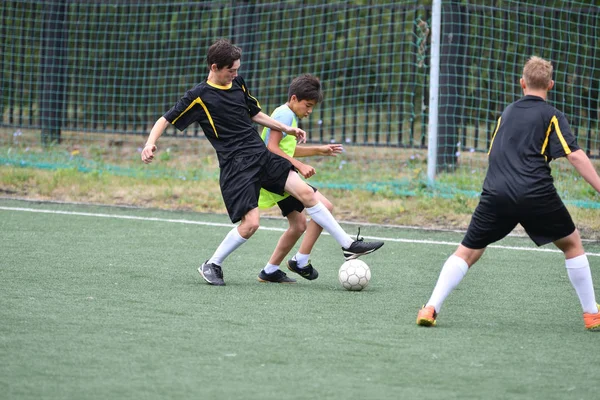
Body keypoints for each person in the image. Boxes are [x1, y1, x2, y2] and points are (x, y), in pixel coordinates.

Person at [141, 39, 383, 286]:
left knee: (306, 193)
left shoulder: (238, 84)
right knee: (251, 225)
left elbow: (255, 114)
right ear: (214, 67)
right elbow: (165, 119)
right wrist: (150, 143)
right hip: (237, 166)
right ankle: (212, 264)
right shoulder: (199, 96)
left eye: (237, 69)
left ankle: (348, 245)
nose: (235, 74)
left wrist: (286, 128)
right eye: (231, 70)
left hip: (261, 156)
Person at [416, 56, 600, 330]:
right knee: (572, 244)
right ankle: (591, 314)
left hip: (496, 192)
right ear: (550, 85)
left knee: (468, 251)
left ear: (522, 83)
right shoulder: (552, 114)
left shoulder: (507, 113)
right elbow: (574, 156)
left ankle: (430, 307)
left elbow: (494, 154)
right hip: (535, 192)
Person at [256, 74, 343, 283]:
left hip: (278, 175)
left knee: (299, 225)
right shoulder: (285, 115)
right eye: (308, 105)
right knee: (325, 207)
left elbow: (287, 150)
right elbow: (272, 148)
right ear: (294, 98)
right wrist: (300, 166)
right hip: (276, 176)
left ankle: (270, 270)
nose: (310, 110)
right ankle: (301, 261)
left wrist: (318, 151)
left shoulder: (288, 115)